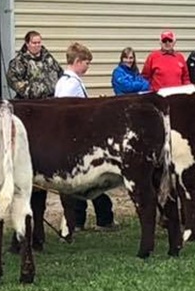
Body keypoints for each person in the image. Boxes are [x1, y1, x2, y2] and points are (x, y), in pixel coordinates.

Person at [54, 42, 116, 230]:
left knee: (82, 183)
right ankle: (101, 218)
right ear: (78, 61)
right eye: (87, 63)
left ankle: (82, 219)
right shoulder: (70, 85)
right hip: (76, 138)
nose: (88, 66)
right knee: (90, 181)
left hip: (73, 138)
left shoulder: (64, 81)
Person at [7, 31, 64, 100]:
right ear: (27, 44)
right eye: (34, 43)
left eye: (39, 42)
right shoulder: (20, 61)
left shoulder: (48, 58)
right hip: (30, 102)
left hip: (50, 100)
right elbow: (13, 80)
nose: (37, 45)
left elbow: (60, 73)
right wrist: (31, 92)